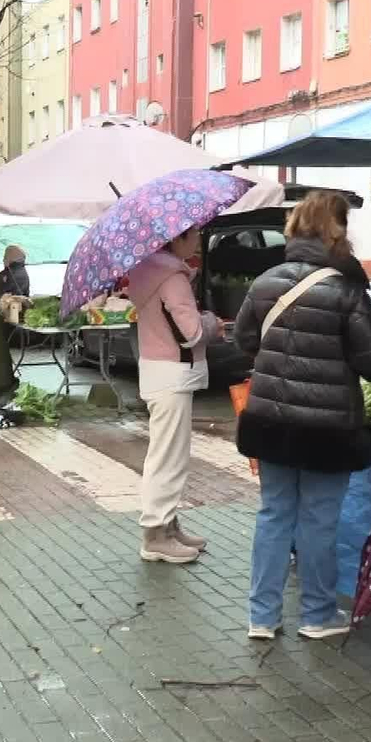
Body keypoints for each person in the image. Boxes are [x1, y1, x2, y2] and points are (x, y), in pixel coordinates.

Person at [235, 191, 371, 641]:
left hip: (270, 421)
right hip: (327, 428)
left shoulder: (265, 281)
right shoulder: (345, 289)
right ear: (337, 230)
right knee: (319, 520)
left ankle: (262, 617)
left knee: (273, 515)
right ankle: (317, 615)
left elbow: (245, 340)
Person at [126, 227, 221, 564]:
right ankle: (156, 535)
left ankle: (168, 524)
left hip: (156, 369)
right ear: (176, 239)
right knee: (168, 457)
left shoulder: (146, 272)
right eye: (193, 234)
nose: (198, 240)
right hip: (173, 374)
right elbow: (192, 332)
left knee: (166, 453)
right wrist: (212, 323)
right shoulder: (172, 278)